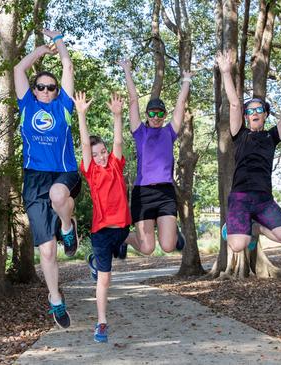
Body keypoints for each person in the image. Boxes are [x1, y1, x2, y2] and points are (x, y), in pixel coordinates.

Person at [215, 51, 281, 252]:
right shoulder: (239, 134)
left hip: (264, 199)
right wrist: (226, 72)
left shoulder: (271, 137)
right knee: (238, 246)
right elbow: (235, 103)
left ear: (265, 115)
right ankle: (238, 226)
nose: (254, 113)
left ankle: (256, 227)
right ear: (246, 117)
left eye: (258, 110)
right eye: (250, 111)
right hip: (240, 198)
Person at [13, 29, 81, 329]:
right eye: (40, 87)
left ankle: (68, 226)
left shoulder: (62, 106)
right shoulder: (26, 105)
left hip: (63, 172)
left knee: (58, 195)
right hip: (33, 180)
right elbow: (18, 69)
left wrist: (59, 41)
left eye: (50, 88)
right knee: (47, 250)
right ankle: (55, 298)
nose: (45, 91)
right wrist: (40, 50)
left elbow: (68, 66)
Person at [74, 91, 138, 343]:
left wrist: (118, 115)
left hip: (122, 229)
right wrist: (81, 114)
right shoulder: (90, 171)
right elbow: (83, 143)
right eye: (96, 153)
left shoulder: (115, 164)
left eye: (102, 152)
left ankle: (118, 248)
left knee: (145, 245)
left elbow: (119, 142)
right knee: (105, 280)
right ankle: (101, 323)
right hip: (101, 232)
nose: (100, 156)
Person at [119, 59, 191, 254]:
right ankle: (123, 237)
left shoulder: (170, 132)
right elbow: (133, 99)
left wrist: (186, 80)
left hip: (165, 193)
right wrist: (127, 70)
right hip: (143, 194)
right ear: (147, 114)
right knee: (147, 248)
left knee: (168, 246)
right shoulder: (139, 131)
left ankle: (172, 232)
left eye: (160, 113)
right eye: (152, 112)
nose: (156, 116)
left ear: (164, 115)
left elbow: (181, 103)